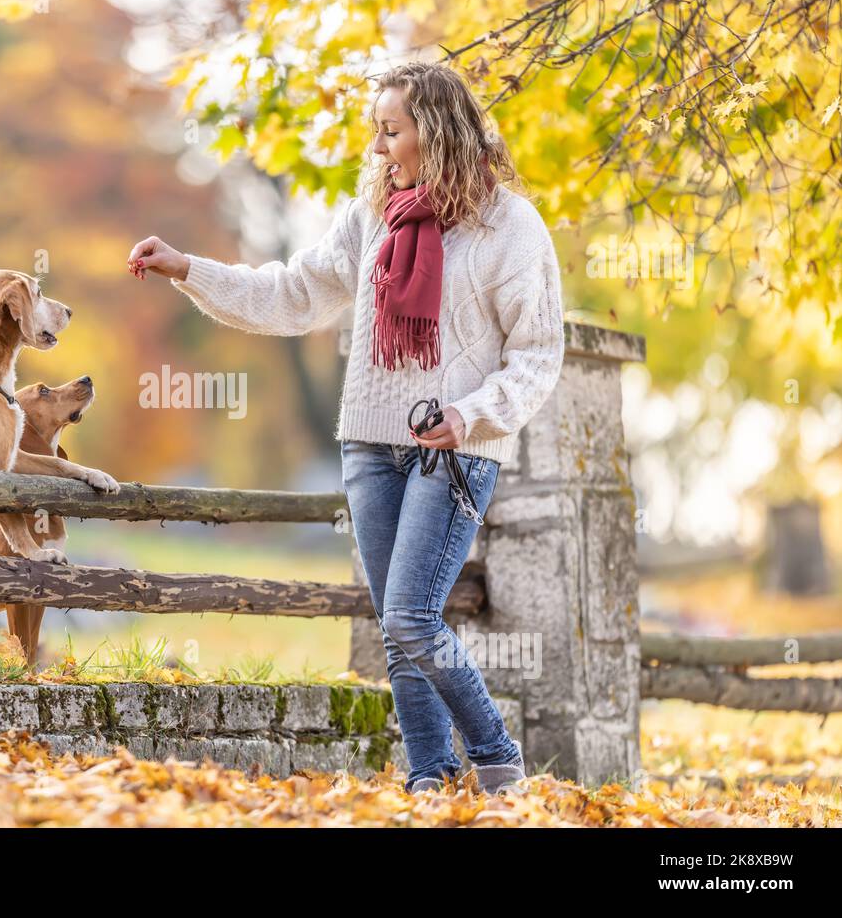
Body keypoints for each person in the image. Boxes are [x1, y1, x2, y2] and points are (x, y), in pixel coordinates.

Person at [127, 62, 565, 795]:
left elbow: (538, 354)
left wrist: (468, 413)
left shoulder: (509, 226)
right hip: (369, 442)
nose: (379, 148)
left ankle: (498, 759)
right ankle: (429, 779)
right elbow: (292, 294)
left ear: (437, 130)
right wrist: (187, 268)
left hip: (453, 450)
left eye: (391, 131)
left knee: (412, 614)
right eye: (376, 132)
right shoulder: (372, 218)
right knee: (398, 629)